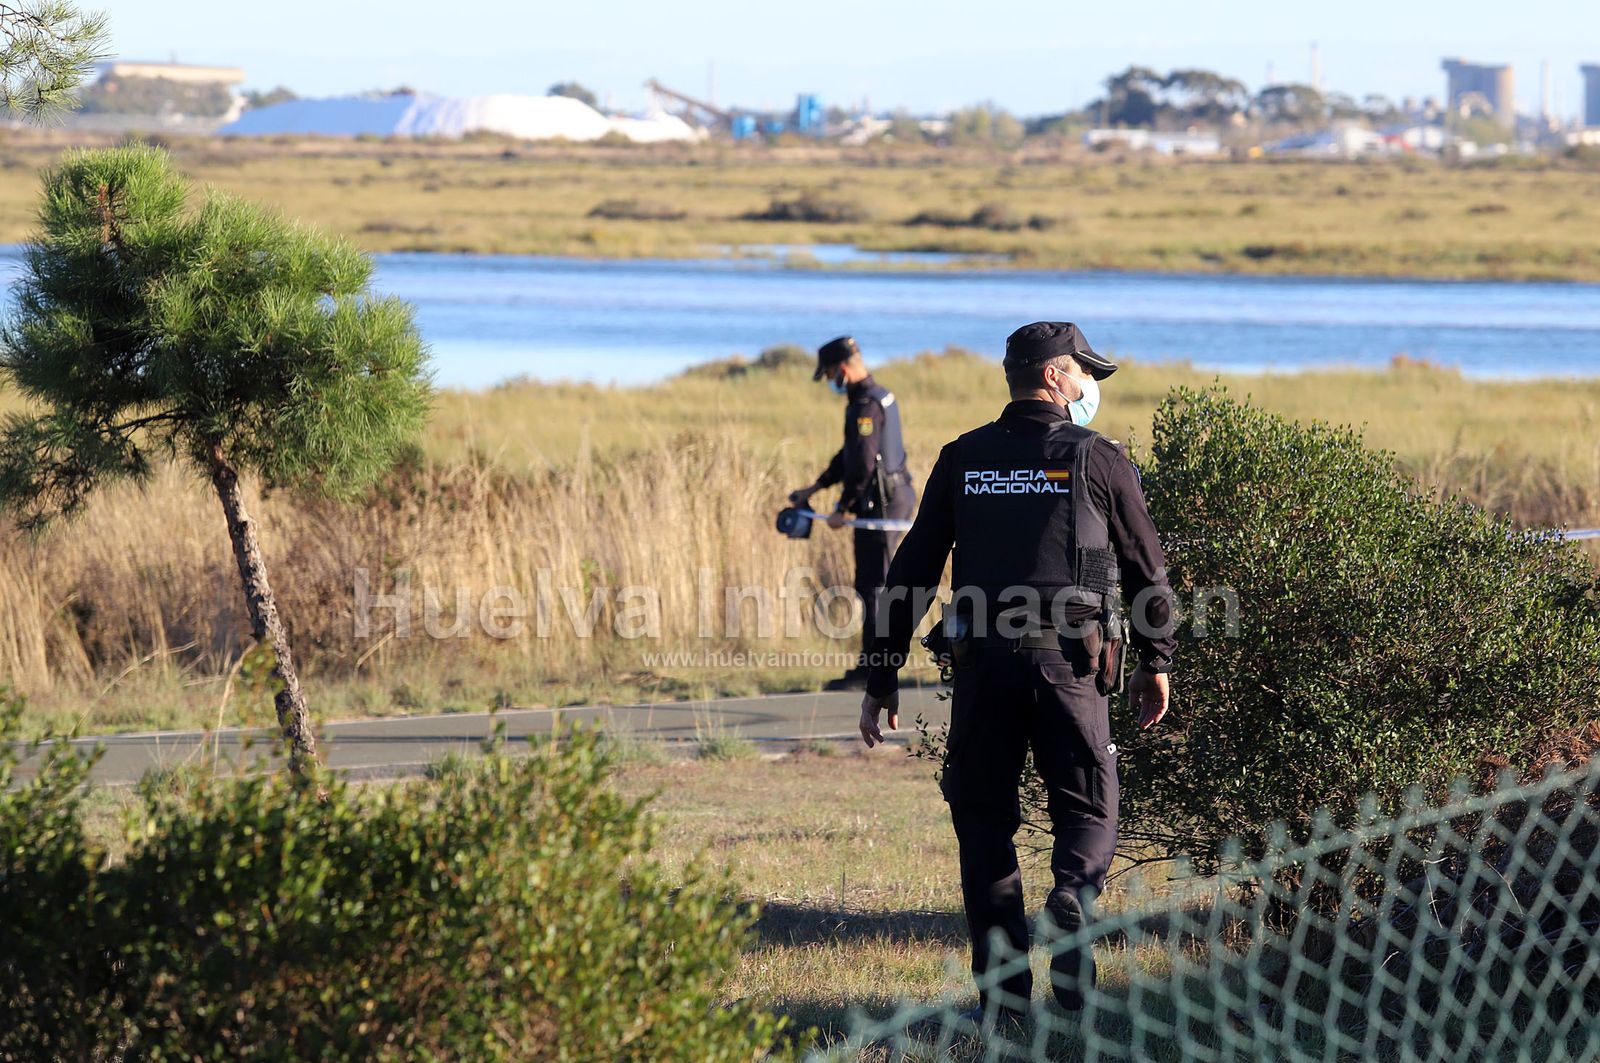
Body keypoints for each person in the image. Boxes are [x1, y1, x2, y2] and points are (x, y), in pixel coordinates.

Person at [857, 321, 1175, 1024]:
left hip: (983, 670)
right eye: (1084, 372)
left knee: (983, 823)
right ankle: (1071, 904)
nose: (1090, 385)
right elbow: (1148, 571)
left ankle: (1003, 1002)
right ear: (1056, 376)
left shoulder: (964, 456)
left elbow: (909, 573)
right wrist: (1158, 661)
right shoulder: (1099, 457)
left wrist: (880, 673)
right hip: (1071, 666)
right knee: (1089, 808)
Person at [788, 335, 916, 691]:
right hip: (890, 498)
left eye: (830, 373)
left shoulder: (864, 406)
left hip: (880, 505)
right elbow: (849, 456)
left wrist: (841, 509)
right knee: (876, 585)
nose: (830, 381)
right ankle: (875, 663)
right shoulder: (877, 396)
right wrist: (815, 489)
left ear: (842, 368)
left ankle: (874, 669)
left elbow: (860, 464)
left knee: (875, 587)